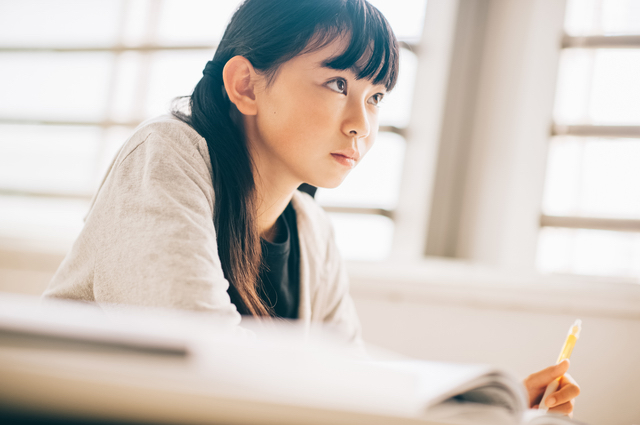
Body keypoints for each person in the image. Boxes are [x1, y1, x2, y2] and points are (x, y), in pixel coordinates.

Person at [43, 0, 579, 416]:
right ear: (245, 85)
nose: (360, 125)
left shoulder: (310, 228)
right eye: (337, 83)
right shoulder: (165, 154)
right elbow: (203, 356)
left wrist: (484, 403)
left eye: (374, 97)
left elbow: (343, 376)